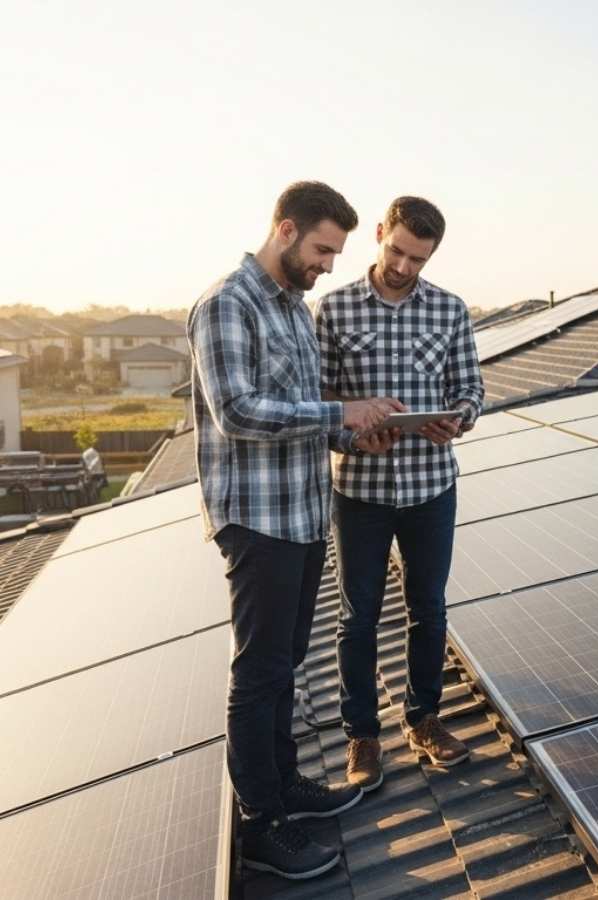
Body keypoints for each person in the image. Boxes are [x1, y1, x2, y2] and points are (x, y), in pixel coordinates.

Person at [188, 181, 404, 880]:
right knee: (259, 675)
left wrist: (352, 437)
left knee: (287, 668)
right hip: (258, 521)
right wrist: (341, 413)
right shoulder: (226, 304)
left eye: (336, 252)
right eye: (321, 249)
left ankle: (284, 784)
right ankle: (261, 825)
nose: (329, 265)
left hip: (306, 517)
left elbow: (304, 415)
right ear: (284, 230)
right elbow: (241, 413)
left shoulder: (294, 311)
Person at [314, 195, 484, 793]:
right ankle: (362, 734)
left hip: (431, 488)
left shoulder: (450, 310)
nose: (405, 267)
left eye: (418, 258)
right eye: (397, 252)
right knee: (358, 617)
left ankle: (424, 719)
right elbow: (319, 403)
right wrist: (355, 441)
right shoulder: (330, 311)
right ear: (380, 233)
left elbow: (471, 391)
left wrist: (456, 420)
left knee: (428, 610)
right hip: (359, 491)